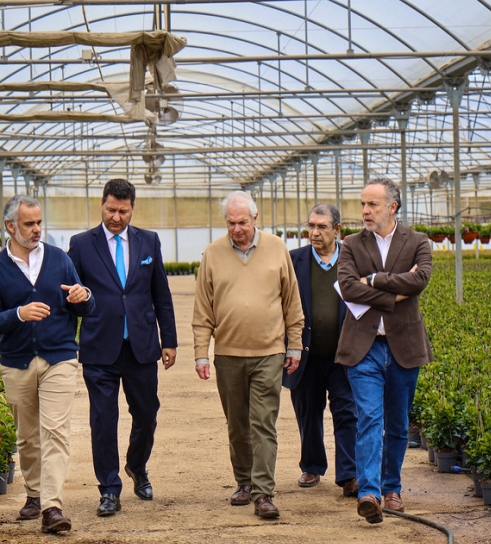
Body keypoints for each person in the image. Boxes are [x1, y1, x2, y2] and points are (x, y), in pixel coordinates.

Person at [0, 194, 95, 535]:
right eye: (29, 224)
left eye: (39, 222)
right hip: (17, 362)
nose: (36, 229)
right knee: (28, 437)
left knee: (55, 431)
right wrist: (19, 314)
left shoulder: (59, 260)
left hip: (60, 357)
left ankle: (52, 507)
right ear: (10, 226)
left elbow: (83, 306)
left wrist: (83, 296)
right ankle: (34, 492)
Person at [68, 178, 178, 517]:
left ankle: (137, 465)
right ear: (102, 205)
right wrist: (75, 306)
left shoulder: (149, 241)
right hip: (99, 347)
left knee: (146, 413)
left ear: (132, 209)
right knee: (103, 420)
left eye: (123, 211)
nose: (116, 217)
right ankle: (109, 489)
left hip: (140, 346)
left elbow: (161, 294)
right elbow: (70, 296)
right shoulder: (81, 245)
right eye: (111, 210)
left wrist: (169, 340)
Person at [192, 190, 304, 520]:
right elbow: (203, 309)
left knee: (263, 423)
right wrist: (201, 353)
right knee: (237, 424)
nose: (236, 229)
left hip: (269, 352)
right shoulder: (213, 254)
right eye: (230, 223)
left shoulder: (277, 248)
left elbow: (292, 301)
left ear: (255, 218)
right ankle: (244, 481)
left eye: (242, 222)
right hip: (228, 354)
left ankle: (263, 493)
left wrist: (295, 345)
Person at [336, 177, 433, 524]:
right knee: (368, 418)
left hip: (403, 347)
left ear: (392, 207)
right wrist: (395, 294)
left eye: (372, 204)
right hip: (363, 349)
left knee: (398, 424)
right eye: (363, 204)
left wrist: (375, 280)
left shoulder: (418, 241)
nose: (365, 210)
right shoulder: (350, 244)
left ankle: (392, 488)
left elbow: (420, 280)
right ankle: (370, 493)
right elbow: (348, 287)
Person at [285, 203, 358, 496]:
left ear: (337, 230)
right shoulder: (294, 261)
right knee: (308, 411)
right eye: (311, 226)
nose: (315, 232)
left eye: (322, 227)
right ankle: (312, 466)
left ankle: (349, 474)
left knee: (347, 412)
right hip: (306, 353)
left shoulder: (352, 260)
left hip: (344, 353)